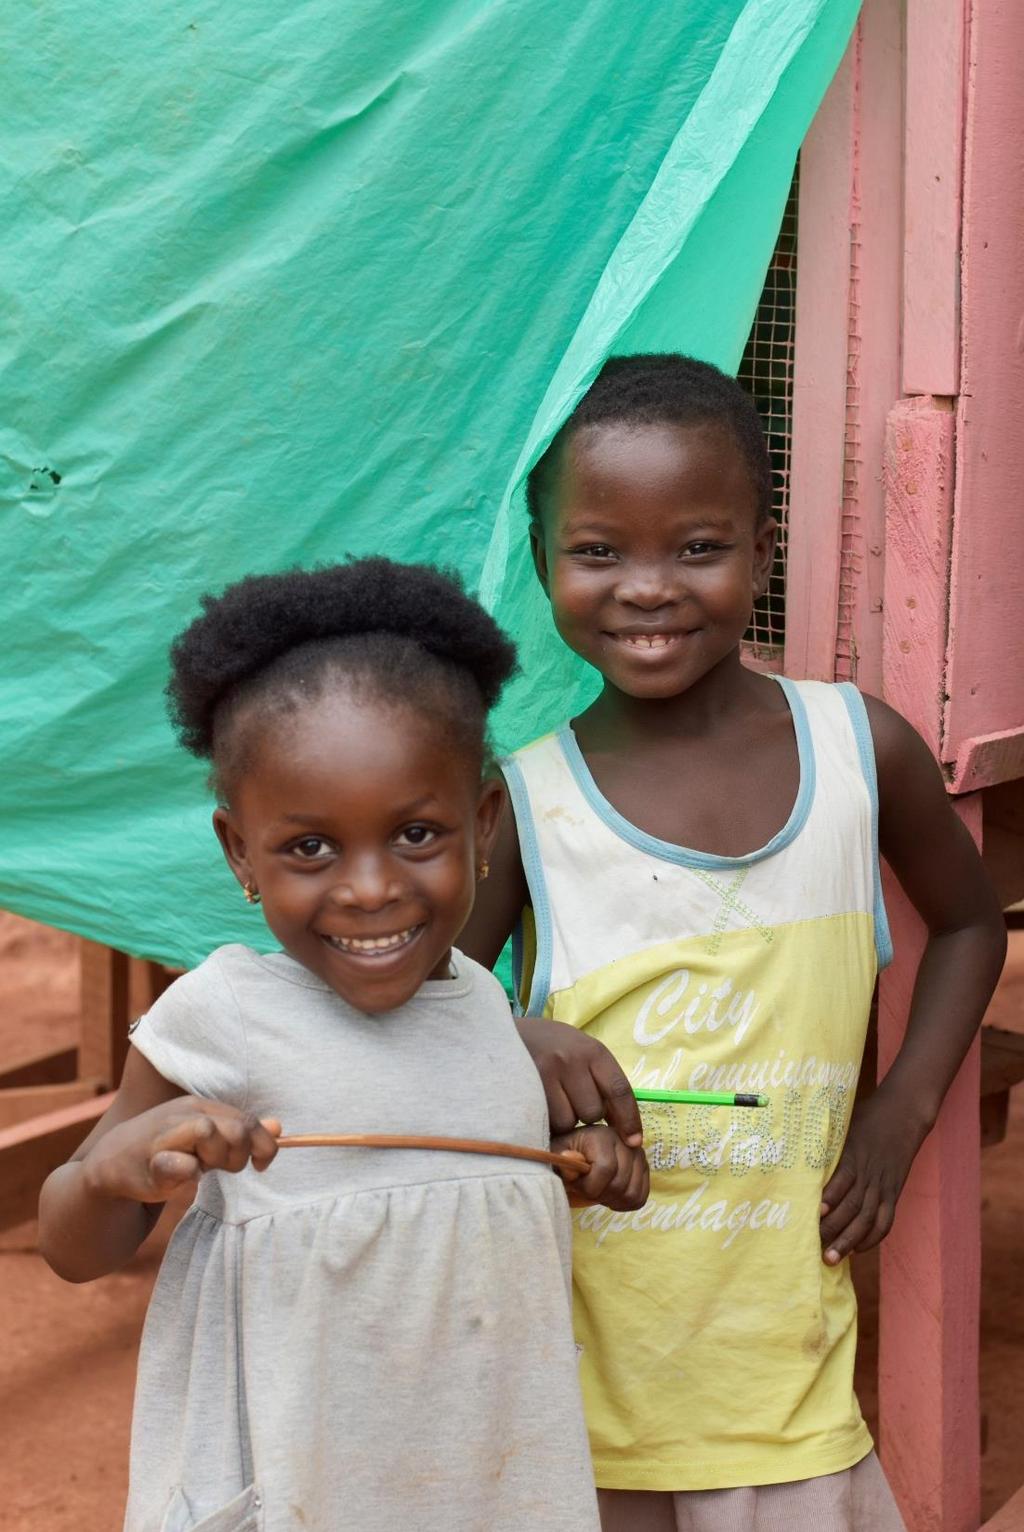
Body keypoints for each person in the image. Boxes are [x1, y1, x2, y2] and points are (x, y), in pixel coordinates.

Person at [460, 354, 1007, 1531]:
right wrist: (510, 1027)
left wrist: (898, 1112)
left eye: (695, 548)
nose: (646, 588)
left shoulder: (860, 750)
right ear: (543, 559)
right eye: (598, 551)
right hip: (573, 1382)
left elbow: (967, 922)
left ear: (761, 552)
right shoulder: (526, 802)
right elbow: (430, 1013)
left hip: (783, 1387)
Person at [39, 556, 649, 1532]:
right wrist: (112, 1175)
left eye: (415, 833)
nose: (369, 888)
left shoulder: (488, 1014)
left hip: (479, 1485)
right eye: (310, 847)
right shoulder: (220, 1013)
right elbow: (75, 1246)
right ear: (240, 851)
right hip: (292, 1488)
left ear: (482, 823)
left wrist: (580, 1170)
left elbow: (470, 1203)